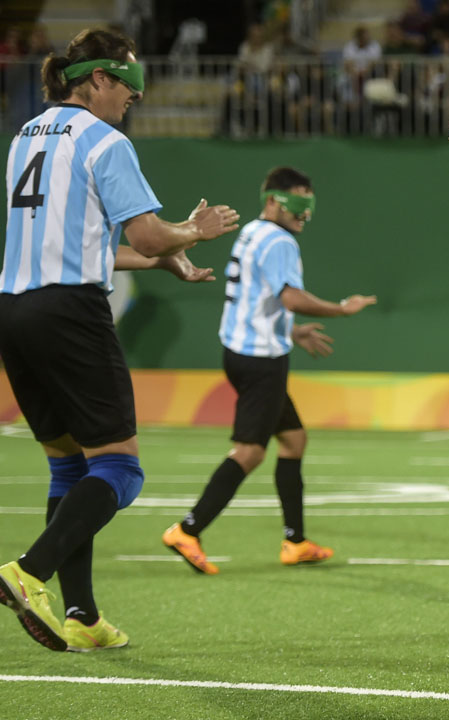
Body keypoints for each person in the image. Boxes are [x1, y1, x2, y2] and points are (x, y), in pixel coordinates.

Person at [0, 28, 239, 652]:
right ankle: (29, 571)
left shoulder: (25, 136)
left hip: (14, 311)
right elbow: (154, 234)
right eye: (129, 83)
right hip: (71, 313)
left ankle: (81, 615)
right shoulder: (105, 141)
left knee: (68, 463)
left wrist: (160, 263)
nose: (133, 96)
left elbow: (91, 241)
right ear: (99, 79)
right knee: (120, 469)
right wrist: (195, 230)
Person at [162, 167, 376, 575]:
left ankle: (295, 542)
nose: (305, 215)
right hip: (261, 361)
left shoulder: (254, 233)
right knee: (251, 451)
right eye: (298, 204)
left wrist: (291, 333)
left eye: (309, 205)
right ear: (274, 200)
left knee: (294, 440)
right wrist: (341, 309)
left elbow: (256, 298)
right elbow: (291, 298)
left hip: (243, 350)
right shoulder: (280, 242)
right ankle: (188, 529)